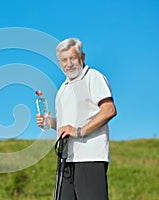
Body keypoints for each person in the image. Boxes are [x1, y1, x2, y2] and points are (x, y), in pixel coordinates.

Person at [36, 38, 117, 200]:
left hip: (90, 158)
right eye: (64, 60)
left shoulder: (93, 77)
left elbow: (109, 110)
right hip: (66, 161)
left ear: (82, 57)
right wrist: (50, 122)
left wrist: (79, 131)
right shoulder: (63, 90)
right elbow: (66, 126)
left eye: (73, 58)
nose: (69, 64)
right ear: (59, 62)